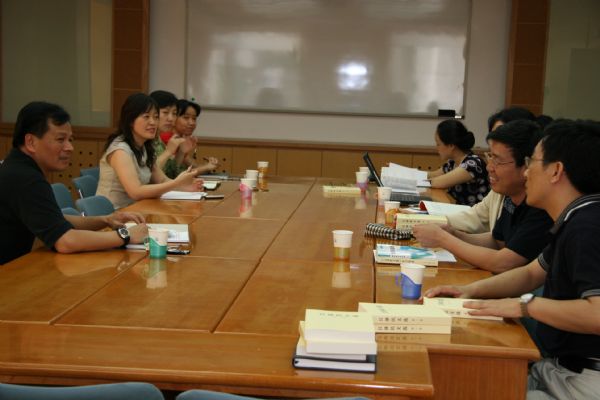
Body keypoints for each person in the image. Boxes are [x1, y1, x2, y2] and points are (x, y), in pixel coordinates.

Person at [424, 120, 600, 399]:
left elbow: (597, 314)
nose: (526, 171)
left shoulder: (588, 226)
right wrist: (468, 291)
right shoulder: (574, 219)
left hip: (585, 380)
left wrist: (525, 306)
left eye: (533, 162)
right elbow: (530, 274)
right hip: (559, 368)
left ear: (556, 171)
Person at [0, 101, 148, 265]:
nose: (69, 147)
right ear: (31, 142)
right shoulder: (25, 178)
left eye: (70, 139)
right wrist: (125, 235)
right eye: (60, 139)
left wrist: (106, 220)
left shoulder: (18, 167)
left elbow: (54, 220)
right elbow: (65, 241)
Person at [413, 120, 553, 273]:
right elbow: (497, 241)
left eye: (497, 160)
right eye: (490, 157)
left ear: (527, 165)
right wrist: (454, 234)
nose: (489, 167)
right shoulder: (510, 195)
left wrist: (444, 239)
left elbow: (504, 263)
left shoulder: (540, 206)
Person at [96, 93, 203, 209]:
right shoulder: (120, 150)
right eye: (146, 117)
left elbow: (162, 180)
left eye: (156, 117)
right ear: (130, 120)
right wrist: (176, 183)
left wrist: (185, 187)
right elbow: (135, 192)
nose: (153, 122)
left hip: (136, 210)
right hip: (113, 214)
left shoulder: (144, 147)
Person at [445, 106, 538, 233]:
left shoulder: (534, 203)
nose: (489, 167)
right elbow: (477, 218)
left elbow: (504, 246)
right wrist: (429, 221)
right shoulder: (504, 190)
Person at [427, 119, 490, 206]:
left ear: (451, 145)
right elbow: (431, 175)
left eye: (438, 144)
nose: (436, 148)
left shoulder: (472, 164)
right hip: (462, 210)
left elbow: (436, 182)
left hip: (475, 213)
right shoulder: (452, 163)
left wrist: (413, 181)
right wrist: (410, 174)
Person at [158, 99, 219, 179]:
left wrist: (208, 165)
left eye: (194, 118)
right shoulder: (167, 137)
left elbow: (192, 166)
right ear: (175, 118)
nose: (192, 123)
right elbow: (175, 175)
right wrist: (206, 167)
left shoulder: (181, 139)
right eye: (186, 118)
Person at [149, 90, 188, 178]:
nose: (171, 118)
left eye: (174, 113)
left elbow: (171, 173)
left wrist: (181, 152)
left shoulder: (158, 139)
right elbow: (149, 175)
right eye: (165, 112)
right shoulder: (144, 140)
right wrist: (168, 151)